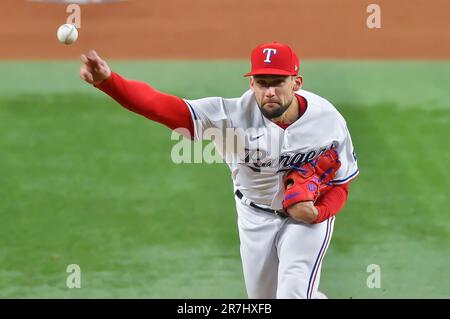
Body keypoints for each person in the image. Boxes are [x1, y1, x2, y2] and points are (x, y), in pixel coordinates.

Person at [79, 42, 359, 299]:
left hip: (306, 222)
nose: (270, 91)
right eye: (262, 83)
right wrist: (109, 82)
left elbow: (341, 183)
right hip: (254, 217)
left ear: (296, 82)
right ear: (251, 84)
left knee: (292, 294)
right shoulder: (230, 116)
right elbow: (161, 107)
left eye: (278, 82)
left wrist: (317, 213)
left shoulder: (327, 119)